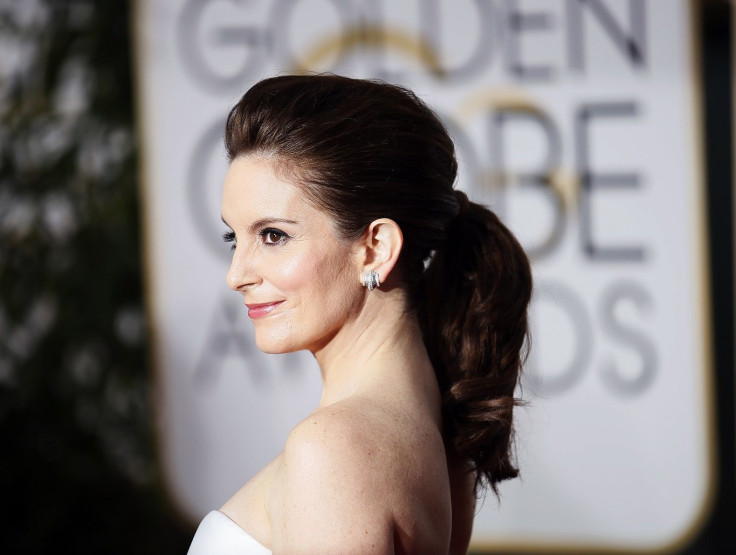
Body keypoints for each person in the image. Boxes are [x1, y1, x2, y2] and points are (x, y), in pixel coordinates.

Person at [188, 74, 532, 554]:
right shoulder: (438, 442)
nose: (236, 274)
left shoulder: (334, 450)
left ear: (374, 248)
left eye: (272, 236)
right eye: (234, 238)